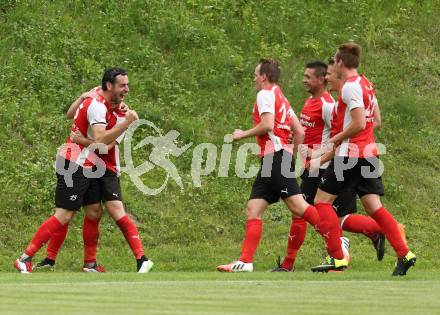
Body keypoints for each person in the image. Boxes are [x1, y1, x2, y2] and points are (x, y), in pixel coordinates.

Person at [14, 68, 154, 273]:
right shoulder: (100, 107)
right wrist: (126, 124)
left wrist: (86, 131)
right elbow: (100, 141)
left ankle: (89, 264)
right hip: (74, 162)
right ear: (109, 86)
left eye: (127, 85)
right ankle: (25, 258)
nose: (127, 90)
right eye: (122, 86)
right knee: (64, 214)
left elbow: (87, 129)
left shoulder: (107, 103)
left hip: (89, 164)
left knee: (94, 211)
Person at [311, 44, 415, 275]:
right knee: (374, 208)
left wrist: (338, 136)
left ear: (339, 62)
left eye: (334, 62)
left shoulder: (350, 88)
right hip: (369, 154)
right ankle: (404, 254)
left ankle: (337, 257)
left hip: (351, 156)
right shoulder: (366, 83)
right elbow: (375, 120)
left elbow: (358, 123)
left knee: (321, 202)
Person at [216, 58, 322, 272]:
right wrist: (293, 155)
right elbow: (299, 131)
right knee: (253, 209)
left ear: (263, 76)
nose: (254, 78)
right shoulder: (280, 96)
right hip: (274, 159)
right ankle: (245, 262)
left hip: (275, 159)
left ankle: (335, 243)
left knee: (298, 207)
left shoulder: (264, 94)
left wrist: (241, 135)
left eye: (256, 74)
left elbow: (267, 124)